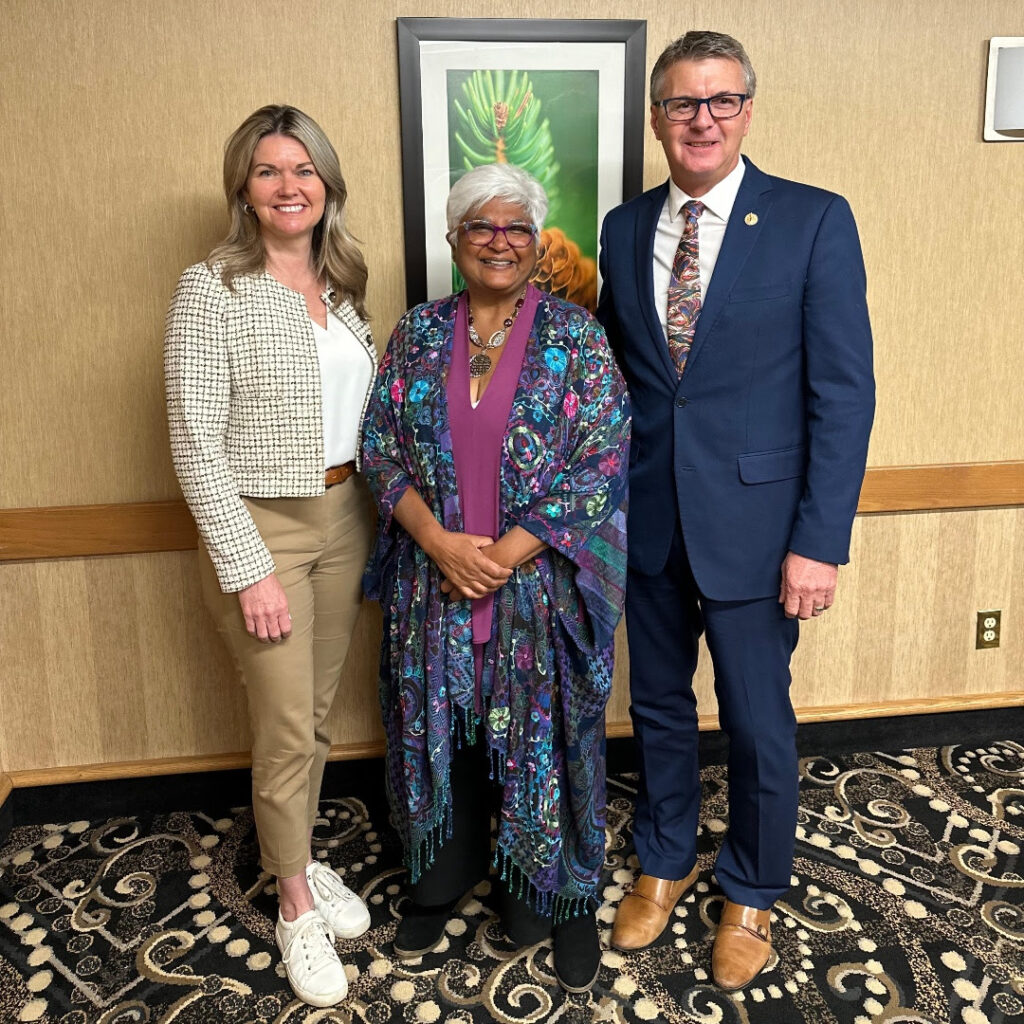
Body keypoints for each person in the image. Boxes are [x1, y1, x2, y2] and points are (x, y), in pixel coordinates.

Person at [597, 31, 874, 991]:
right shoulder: (623, 228)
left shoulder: (812, 221)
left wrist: (819, 542)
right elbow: (628, 379)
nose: (701, 119)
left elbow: (843, 396)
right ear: (657, 119)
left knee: (758, 719)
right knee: (660, 708)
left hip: (763, 537)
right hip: (649, 521)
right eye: (681, 103)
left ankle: (752, 888)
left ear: (748, 110)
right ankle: (666, 859)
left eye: (719, 101)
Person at [361, 163, 630, 993]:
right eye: (482, 226)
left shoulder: (576, 337)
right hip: (432, 583)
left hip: (536, 590)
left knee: (548, 738)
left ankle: (563, 894)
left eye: (516, 227)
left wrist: (500, 556)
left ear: (536, 242)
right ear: (455, 239)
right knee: (439, 726)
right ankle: (443, 874)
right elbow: (379, 447)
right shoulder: (416, 331)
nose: (500, 241)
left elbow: (602, 459)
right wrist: (441, 544)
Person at [164, 104, 377, 1008]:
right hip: (265, 527)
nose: (289, 186)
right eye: (268, 171)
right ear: (243, 189)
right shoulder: (212, 285)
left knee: (319, 714)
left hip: (346, 514)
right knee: (287, 726)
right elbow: (193, 440)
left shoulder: (343, 284)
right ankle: (293, 904)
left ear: (325, 183)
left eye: (304, 169)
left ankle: (301, 859)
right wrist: (246, 564)